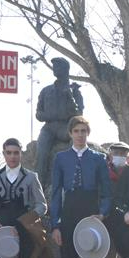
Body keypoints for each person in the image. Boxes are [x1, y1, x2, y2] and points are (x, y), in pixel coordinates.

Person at [50, 116, 112, 258]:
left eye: (83, 131)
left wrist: (102, 213)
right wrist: (55, 225)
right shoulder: (61, 158)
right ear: (70, 133)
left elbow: (106, 191)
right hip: (69, 212)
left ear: (88, 133)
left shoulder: (98, 158)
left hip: (91, 211)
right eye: (76, 131)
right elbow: (56, 192)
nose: (80, 135)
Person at [35, 57, 85, 187]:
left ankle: (70, 182)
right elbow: (38, 114)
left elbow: (79, 114)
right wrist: (53, 115)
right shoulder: (46, 91)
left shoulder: (75, 91)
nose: (55, 69)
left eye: (58, 66)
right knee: (41, 153)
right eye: (54, 66)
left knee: (74, 149)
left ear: (66, 69)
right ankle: (39, 187)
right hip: (49, 128)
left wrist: (70, 96)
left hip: (67, 127)